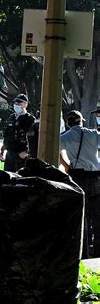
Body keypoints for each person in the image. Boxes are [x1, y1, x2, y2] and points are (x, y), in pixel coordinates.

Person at [59, 110, 100, 258]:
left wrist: (67, 165)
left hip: (76, 176)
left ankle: (83, 251)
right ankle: (98, 249)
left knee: (81, 215)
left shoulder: (63, 137)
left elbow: (58, 154)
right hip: (94, 178)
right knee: (97, 215)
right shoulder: (93, 134)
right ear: (82, 121)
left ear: (68, 123)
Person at [0, 94, 35, 172]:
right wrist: (2, 151)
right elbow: (7, 135)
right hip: (9, 153)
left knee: (20, 178)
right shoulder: (12, 117)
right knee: (7, 177)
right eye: (15, 103)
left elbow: (33, 138)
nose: (16, 105)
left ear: (25, 104)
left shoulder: (29, 119)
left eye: (19, 103)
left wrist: (26, 151)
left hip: (21, 155)